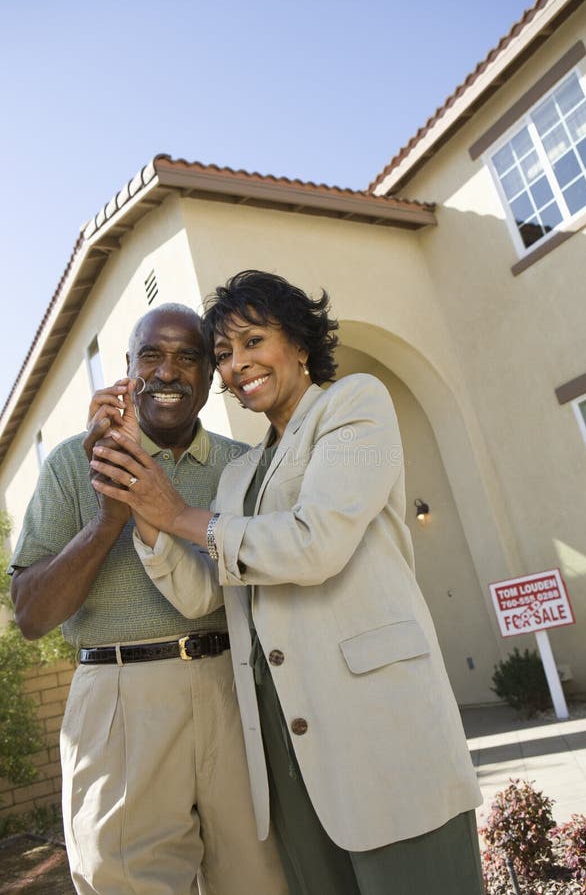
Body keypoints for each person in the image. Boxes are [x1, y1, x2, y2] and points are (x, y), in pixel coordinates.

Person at [89, 271, 486, 895]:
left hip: (383, 734)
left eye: (252, 341)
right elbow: (204, 597)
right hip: (283, 749)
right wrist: (141, 496)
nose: (236, 364)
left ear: (300, 343)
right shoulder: (238, 477)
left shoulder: (356, 406)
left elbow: (317, 541)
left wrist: (181, 515)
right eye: (223, 354)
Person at [9, 302, 289, 895]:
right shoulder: (69, 464)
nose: (168, 371)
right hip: (118, 702)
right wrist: (108, 517)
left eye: (188, 357)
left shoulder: (244, 468)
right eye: (152, 355)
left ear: (210, 379)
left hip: (234, 693)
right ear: (128, 370)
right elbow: (31, 615)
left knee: (263, 880)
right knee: (128, 884)